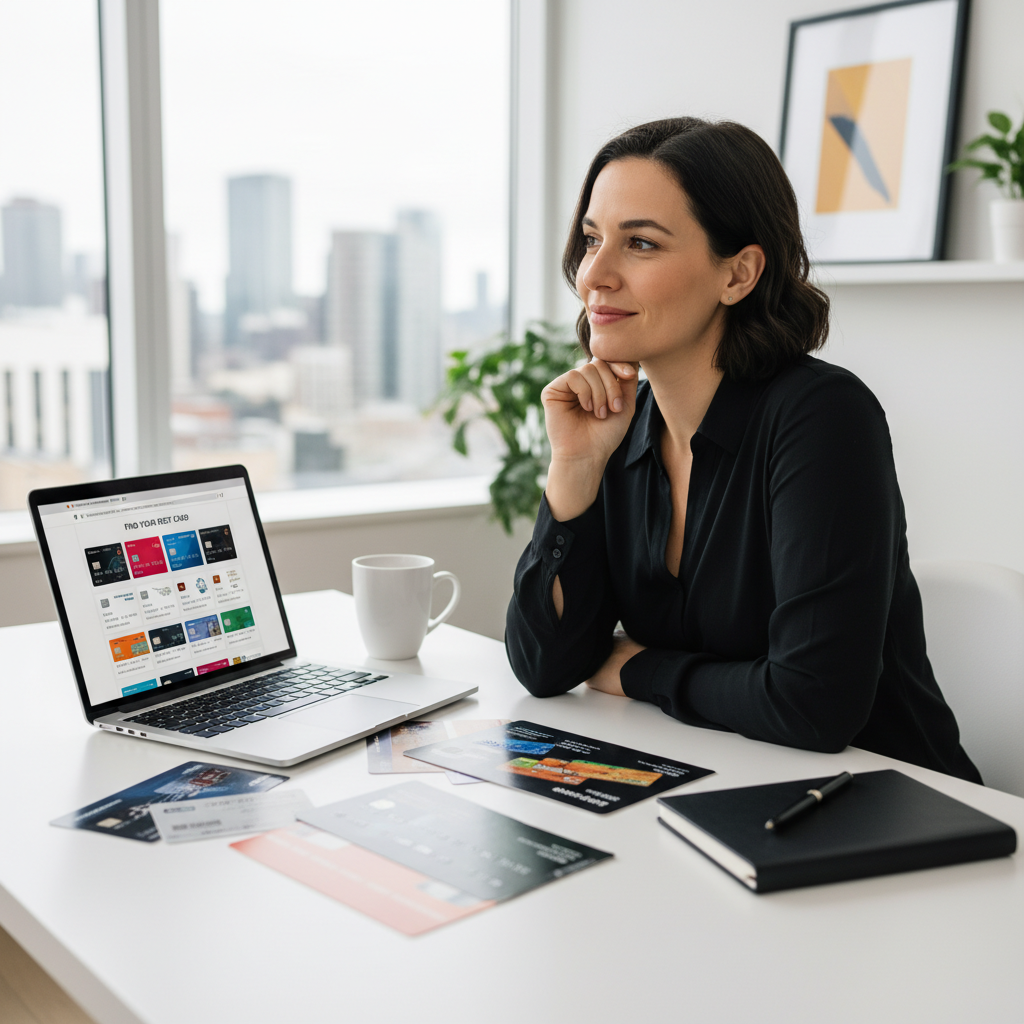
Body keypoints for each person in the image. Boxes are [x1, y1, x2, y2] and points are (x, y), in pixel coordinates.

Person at [504, 117, 980, 783]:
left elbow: (813, 704)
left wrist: (634, 666)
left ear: (739, 274)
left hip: (883, 807)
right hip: (726, 785)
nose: (595, 276)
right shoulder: (619, 428)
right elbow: (545, 666)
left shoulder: (821, 417)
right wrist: (575, 470)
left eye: (639, 243)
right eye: (591, 239)